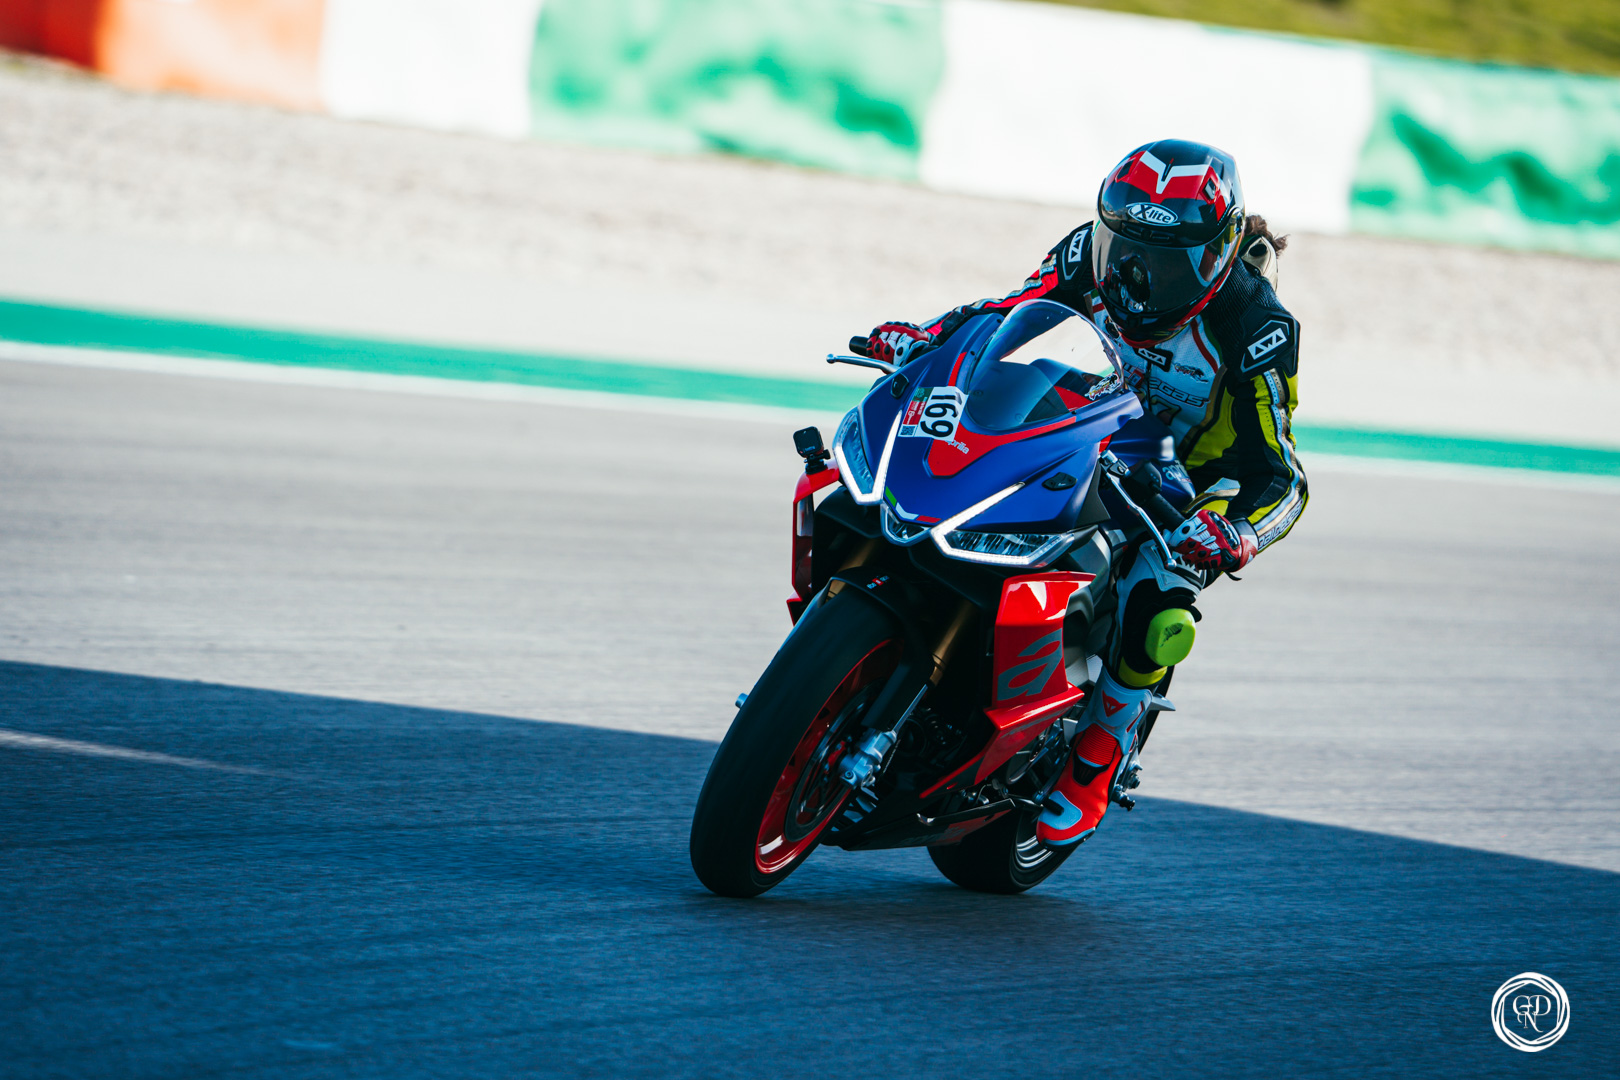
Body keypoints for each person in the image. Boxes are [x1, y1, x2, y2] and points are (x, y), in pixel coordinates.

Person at [857, 139, 1307, 848]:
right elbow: (1003, 316)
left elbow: (1281, 474)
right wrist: (926, 336)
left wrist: (1238, 532)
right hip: (1092, 420)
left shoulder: (1257, 328)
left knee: (1161, 586)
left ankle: (1099, 751)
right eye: (1123, 249)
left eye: (1167, 263)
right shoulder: (1083, 257)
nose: (1137, 278)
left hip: (1188, 469)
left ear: (1217, 257)